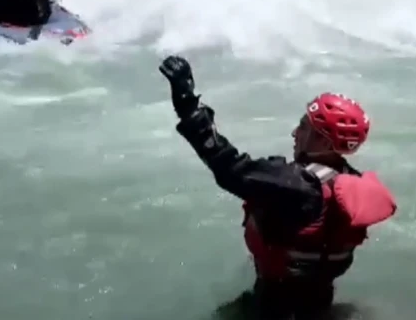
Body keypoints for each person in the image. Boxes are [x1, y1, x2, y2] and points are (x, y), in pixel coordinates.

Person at [158, 55, 397, 319]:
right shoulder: (351, 181)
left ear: (324, 142)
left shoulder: (295, 185)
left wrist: (188, 108)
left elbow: (229, 168)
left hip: (274, 306)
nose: (295, 133)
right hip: (320, 301)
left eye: (303, 127)